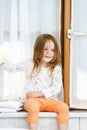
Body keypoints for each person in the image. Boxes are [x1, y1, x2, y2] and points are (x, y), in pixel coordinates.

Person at [0, 34, 69, 130]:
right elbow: (13, 68)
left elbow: (57, 88)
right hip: (31, 101)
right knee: (33, 107)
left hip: (49, 100)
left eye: (52, 50)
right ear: (38, 49)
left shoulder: (56, 68)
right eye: (45, 49)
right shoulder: (30, 63)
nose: (49, 53)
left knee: (64, 107)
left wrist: (37, 94)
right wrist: (2, 59)